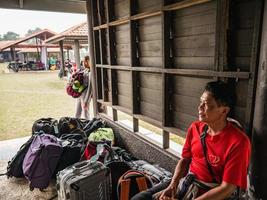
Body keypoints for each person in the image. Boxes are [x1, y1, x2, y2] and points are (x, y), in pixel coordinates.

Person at [133, 80, 251, 200]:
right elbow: (185, 159)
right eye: (201, 102)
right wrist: (173, 184)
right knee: (139, 198)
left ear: (224, 111)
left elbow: (227, 188)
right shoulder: (196, 128)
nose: (200, 107)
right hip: (187, 182)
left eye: (206, 104)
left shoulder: (239, 142)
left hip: (213, 193)